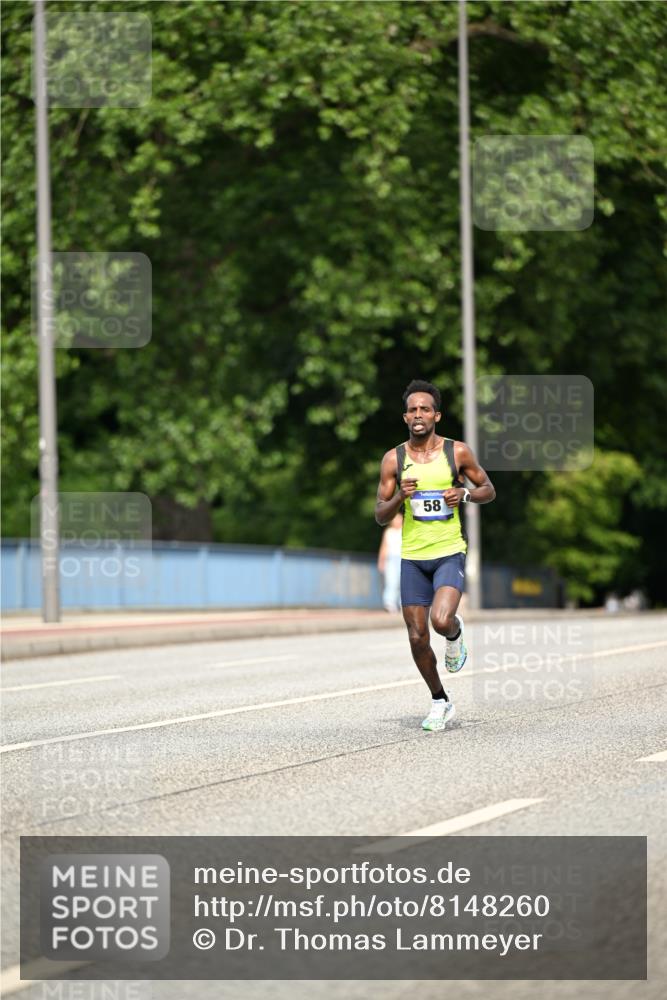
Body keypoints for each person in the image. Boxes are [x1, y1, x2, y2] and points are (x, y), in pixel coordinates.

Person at [375, 379, 496, 732]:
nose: (418, 415)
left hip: (448, 552)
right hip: (412, 557)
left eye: (424, 409)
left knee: (441, 622)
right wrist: (399, 496)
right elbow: (380, 515)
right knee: (416, 636)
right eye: (412, 410)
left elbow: (488, 488)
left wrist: (466, 495)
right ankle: (440, 700)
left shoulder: (455, 453)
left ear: (436, 415)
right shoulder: (393, 459)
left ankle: (455, 636)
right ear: (404, 417)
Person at [378, 512, 403, 612]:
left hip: (403, 558)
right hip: (391, 559)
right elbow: (384, 547)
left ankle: (403, 603)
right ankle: (389, 603)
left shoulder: (404, 530)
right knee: (391, 581)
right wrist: (381, 561)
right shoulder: (389, 532)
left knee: (403, 582)